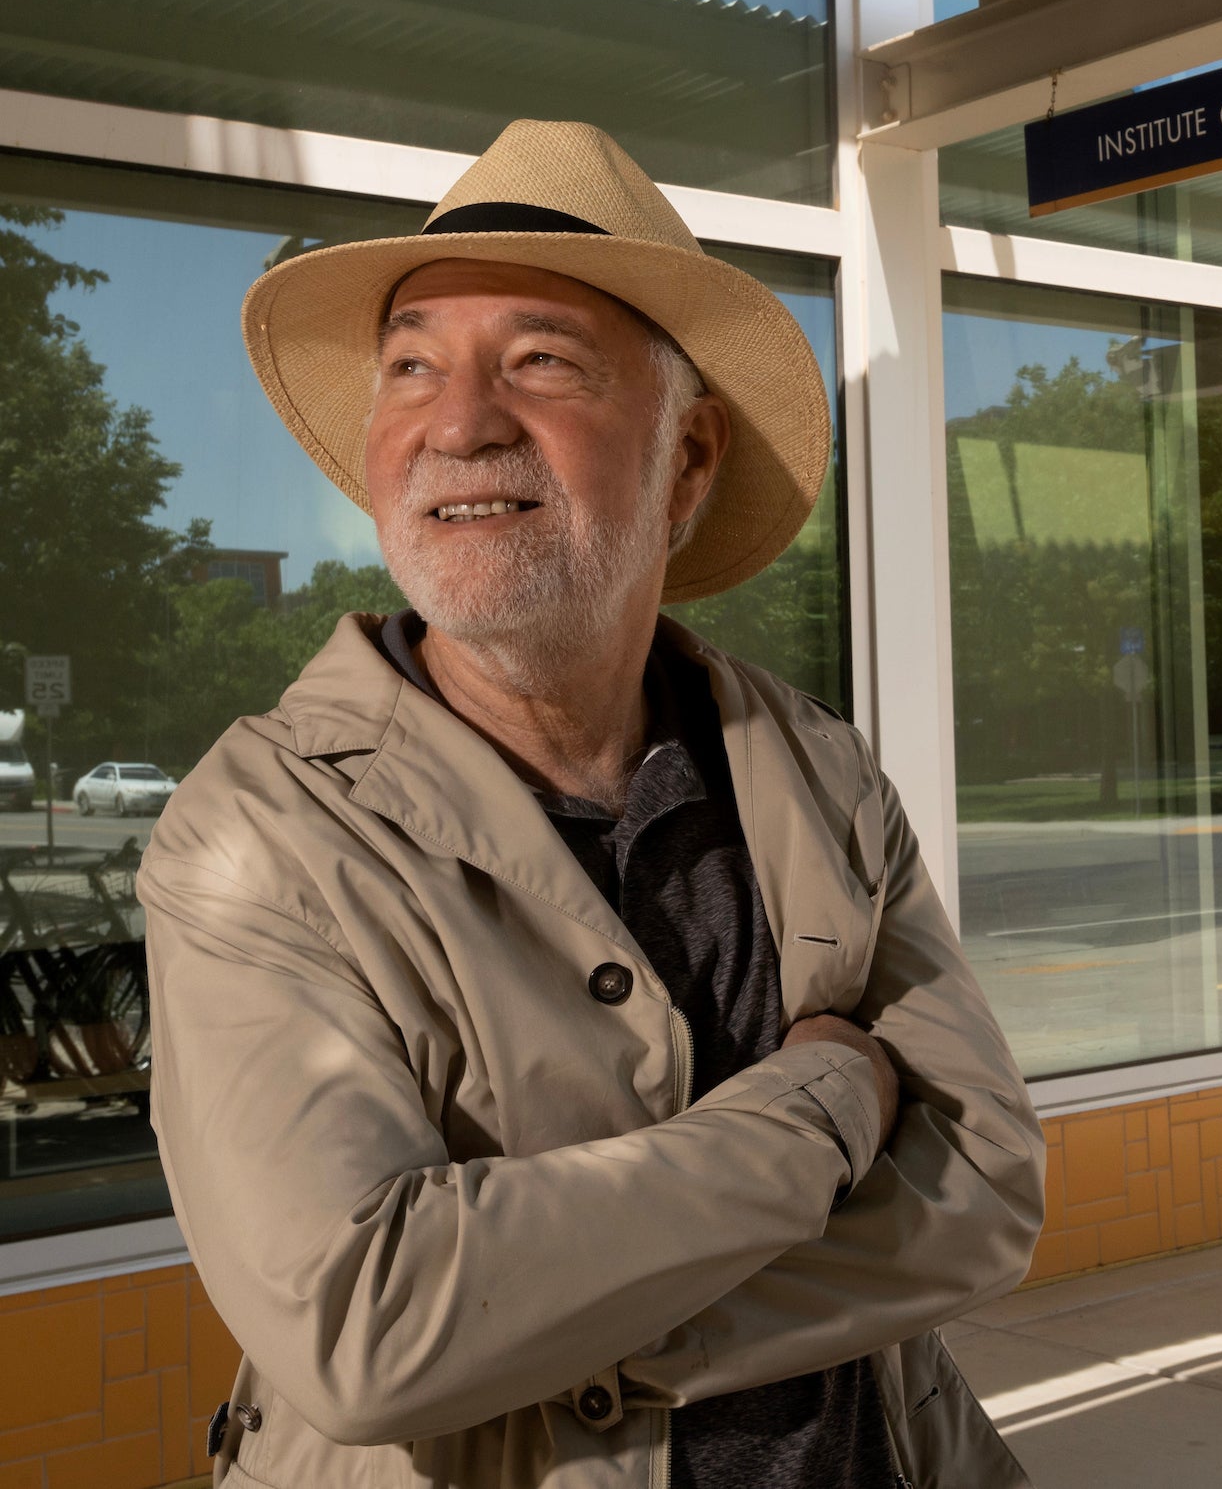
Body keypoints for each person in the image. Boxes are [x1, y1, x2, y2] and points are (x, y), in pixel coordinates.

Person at [137, 120, 1044, 1488]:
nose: (459, 420)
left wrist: (550, 1317)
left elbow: (982, 1192)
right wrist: (828, 1096)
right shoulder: (254, 835)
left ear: (686, 460)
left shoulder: (818, 771)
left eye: (541, 360)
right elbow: (370, 1324)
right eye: (413, 365)